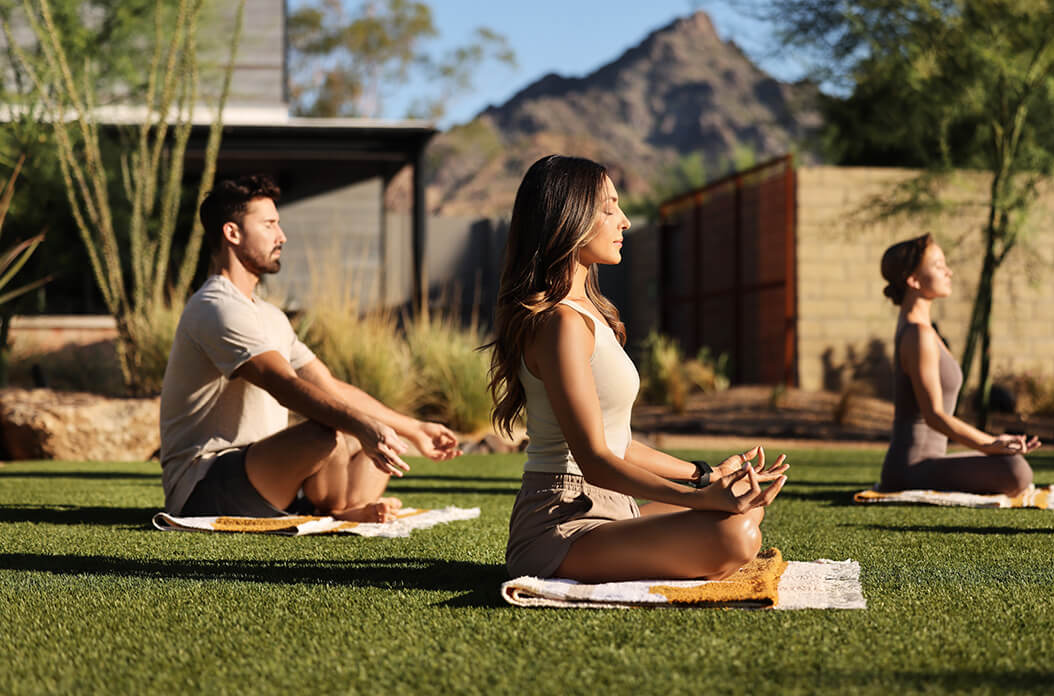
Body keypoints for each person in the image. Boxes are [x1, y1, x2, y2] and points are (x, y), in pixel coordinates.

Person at [488, 154, 788, 583]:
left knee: (746, 506)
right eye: (609, 209)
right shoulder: (560, 323)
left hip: (614, 507)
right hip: (564, 524)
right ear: (568, 218)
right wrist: (700, 500)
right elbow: (594, 460)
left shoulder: (587, 314)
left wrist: (706, 476)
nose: (625, 221)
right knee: (735, 534)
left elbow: (618, 444)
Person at [159, 174, 460, 522]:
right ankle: (337, 511)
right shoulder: (215, 307)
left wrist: (411, 428)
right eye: (269, 225)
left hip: (263, 473)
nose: (281, 236)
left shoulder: (269, 315)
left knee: (375, 438)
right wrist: (361, 427)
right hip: (204, 485)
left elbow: (329, 387)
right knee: (325, 434)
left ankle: (341, 510)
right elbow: (283, 383)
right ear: (232, 233)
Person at [878, 233, 1039, 496]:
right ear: (914, 280)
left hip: (925, 463)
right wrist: (991, 444)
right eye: (939, 265)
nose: (949, 272)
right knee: (1016, 471)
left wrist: (994, 444)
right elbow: (934, 416)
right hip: (911, 468)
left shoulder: (920, 329)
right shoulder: (917, 334)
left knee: (1013, 465)